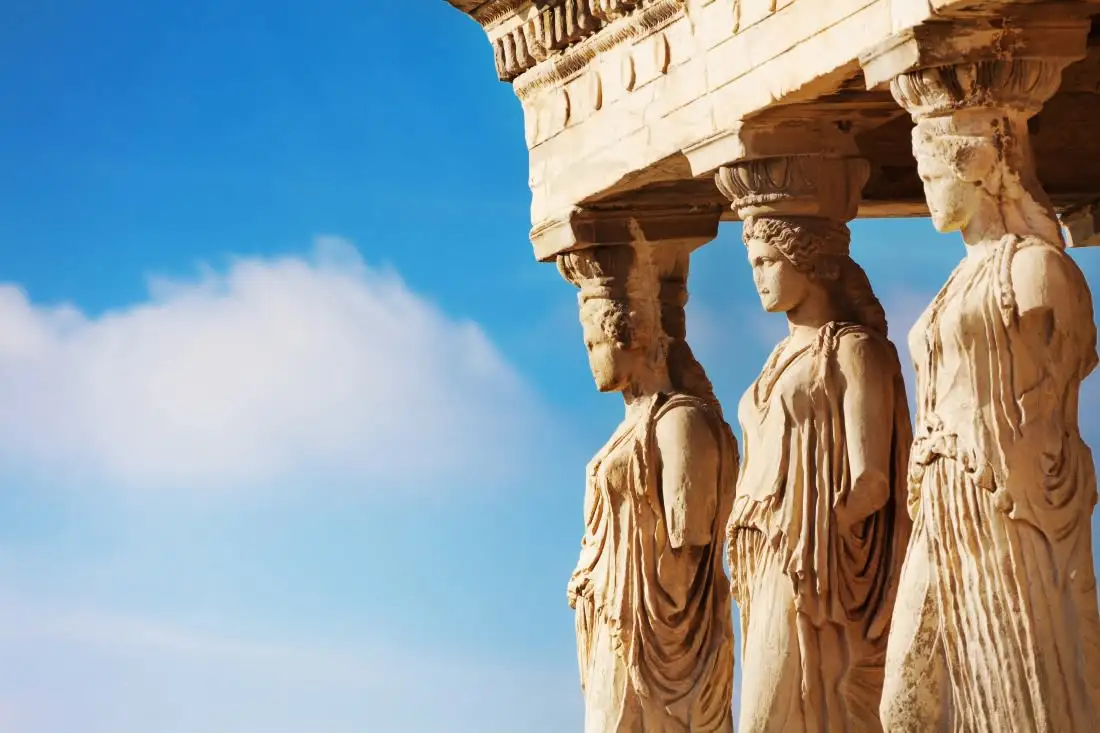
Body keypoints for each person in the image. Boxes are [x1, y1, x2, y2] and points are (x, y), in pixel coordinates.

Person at [880, 59, 1100, 732]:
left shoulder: (1037, 271)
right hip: (943, 499)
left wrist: (1020, 468)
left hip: (1006, 498)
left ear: (977, 168)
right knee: (904, 703)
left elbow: (1061, 395)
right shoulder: (955, 283)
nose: (925, 187)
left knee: (1014, 692)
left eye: (934, 171)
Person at [727, 213, 911, 733]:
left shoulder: (854, 349)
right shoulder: (777, 356)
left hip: (811, 557)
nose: (757, 277)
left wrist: (819, 530)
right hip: (761, 555)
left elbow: (873, 478)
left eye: (767, 262)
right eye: (753, 264)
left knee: (771, 716)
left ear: (805, 260)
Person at [559, 240, 737, 733]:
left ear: (630, 334)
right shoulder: (631, 426)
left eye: (595, 343)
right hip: (613, 623)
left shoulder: (679, 422)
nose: (591, 358)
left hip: (649, 635)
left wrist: (643, 601)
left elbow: (689, 542)